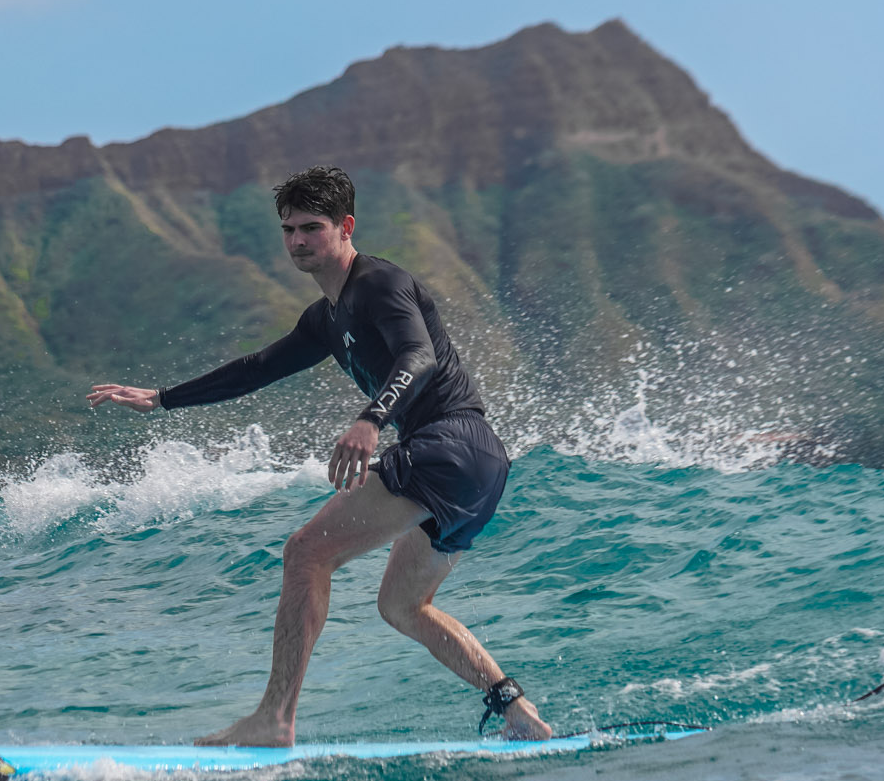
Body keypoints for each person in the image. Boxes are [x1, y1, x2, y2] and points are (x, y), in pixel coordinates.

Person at [88, 166, 553, 746]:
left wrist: (370, 419)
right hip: (481, 468)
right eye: (288, 230)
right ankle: (518, 711)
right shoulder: (324, 319)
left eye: (312, 227)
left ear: (346, 227)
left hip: (450, 444)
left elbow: (419, 354)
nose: (298, 241)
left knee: (306, 554)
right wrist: (161, 399)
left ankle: (274, 719)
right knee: (403, 606)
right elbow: (256, 370)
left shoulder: (379, 284)